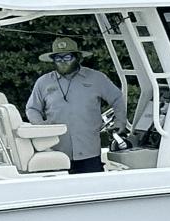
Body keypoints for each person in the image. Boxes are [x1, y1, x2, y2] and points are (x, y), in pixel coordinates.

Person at [25, 36, 125, 174]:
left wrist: (120, 121)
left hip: (89, 150)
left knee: (93, 189)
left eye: (67, 57)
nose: (62, 62)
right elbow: (32, 108)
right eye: (58, 59)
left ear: (78, 57)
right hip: (56, 151)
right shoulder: (43, 82)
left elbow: (117, 98)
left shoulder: (96, 78)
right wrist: (40, 127)